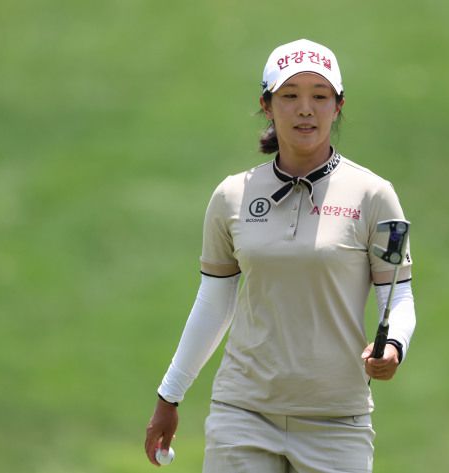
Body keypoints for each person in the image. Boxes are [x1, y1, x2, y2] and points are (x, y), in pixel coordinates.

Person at [144, 38, 416, 473]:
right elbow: (214, 303)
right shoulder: (232, 195)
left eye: (319, 96)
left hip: (336, 420)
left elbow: (397, 295)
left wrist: (394, 345)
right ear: (267, 106)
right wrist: (169, 395)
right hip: (243, 412)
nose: (305, 109)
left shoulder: (373, 195)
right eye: (289, 96)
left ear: (338, 106)